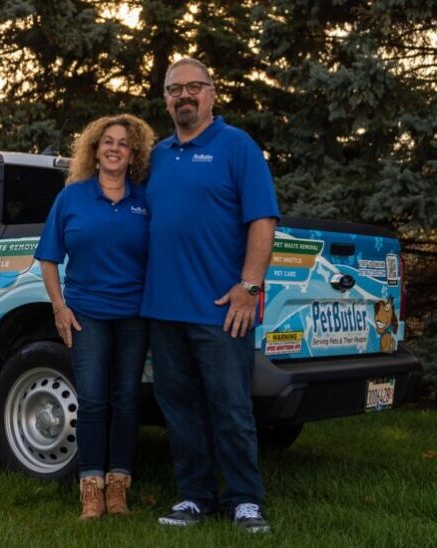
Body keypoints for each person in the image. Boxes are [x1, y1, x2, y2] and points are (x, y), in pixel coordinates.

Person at [142, 57, 280, 533]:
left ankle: (245, 499)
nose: (184, 95)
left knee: (231, 408)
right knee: (179, 409)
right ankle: (195, 497)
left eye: (193, 86)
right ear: (164, 98)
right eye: (174, 88)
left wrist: (248, 288)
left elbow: (263, 220)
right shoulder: (157, 156)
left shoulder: (237, 146)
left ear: (212, 93)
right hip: (163, 309)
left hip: (222, 311)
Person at [35, 114, 155, 521]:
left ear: (133, 152)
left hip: (134, 315)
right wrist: (59, 307)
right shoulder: (72, 198)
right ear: (94, 148)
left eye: (123, 143)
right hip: (86, 314)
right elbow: (49, 259)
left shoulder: (144, 200)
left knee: (125, 400)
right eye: (107, 141)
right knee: (91, 400)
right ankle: (91, 487)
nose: (114, 148)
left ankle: (118, 485)